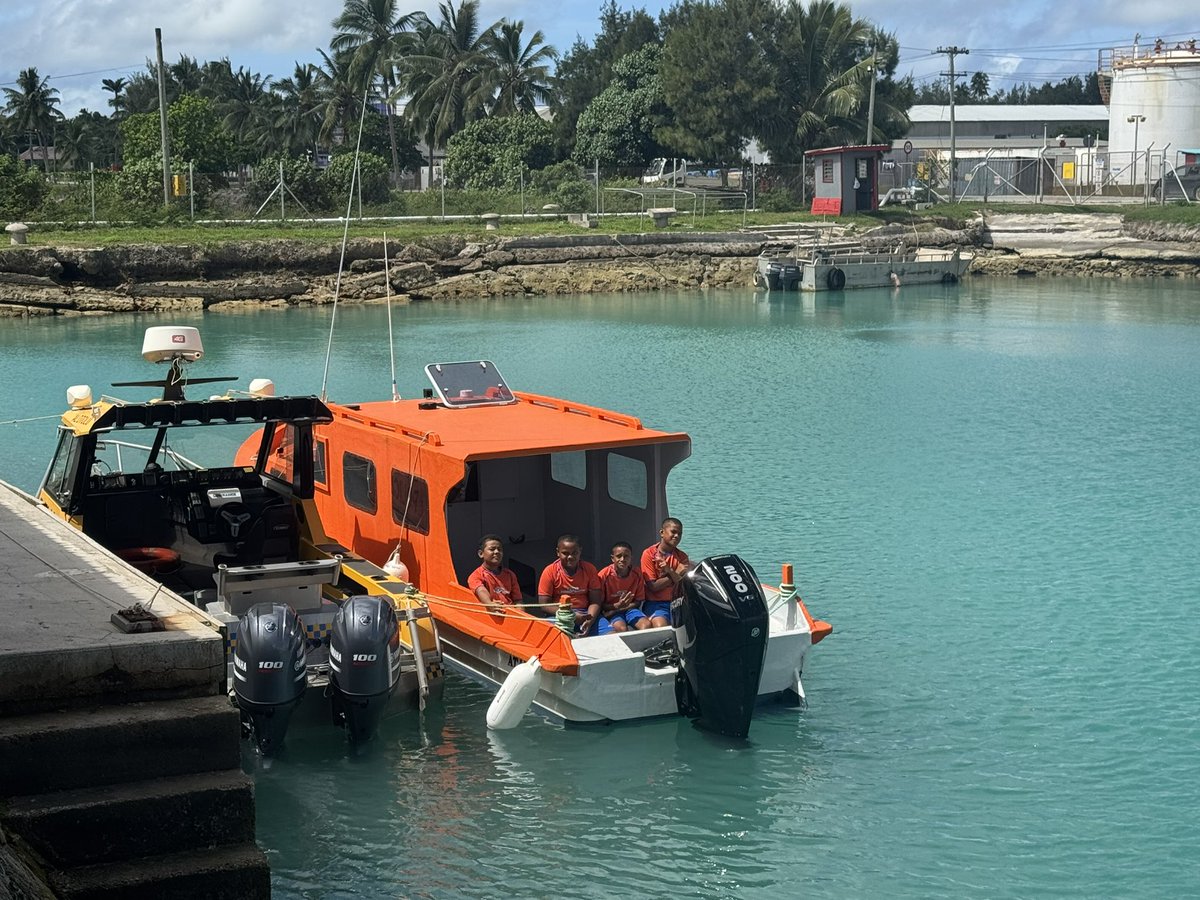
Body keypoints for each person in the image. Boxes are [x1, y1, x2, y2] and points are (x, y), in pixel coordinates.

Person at [537, 534, 602, 636]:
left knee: (611, 635)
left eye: (574, 553)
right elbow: (544, 605)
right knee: (549, 637)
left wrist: (589, 621)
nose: (570, 557)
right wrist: (573, 616)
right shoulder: (550, 571)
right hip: (560, 615)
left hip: (586, 613)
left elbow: (595, 601)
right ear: (557, 552)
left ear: (580, 551)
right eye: (565, 553)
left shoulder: (590, 569)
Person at [640, 517, 690, 628]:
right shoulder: (648, 554)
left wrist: (670, 571)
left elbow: (682, 584)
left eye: (680, 534)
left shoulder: (682, 557)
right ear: (662, 533)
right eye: (673, 532)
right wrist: (675, 572)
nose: (677, 536)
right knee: (660, 626)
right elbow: (653, 586)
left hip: (677, 602)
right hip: (656, 604)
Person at [596, 542, 649, 634]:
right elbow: (599, 604)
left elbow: (638, 601)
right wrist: (617, 606)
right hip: (611, 611)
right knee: (621, 629)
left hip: (630, 609)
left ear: (631, 558)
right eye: (619, 556)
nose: (622, 559)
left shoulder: (637, 573)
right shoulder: (604, 575)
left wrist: (621, 607)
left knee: (646, 625)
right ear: (612, 558)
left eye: (626, 556)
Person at [467, 534, 522, 612]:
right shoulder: (476, 576)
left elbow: (518, 600)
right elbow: (481, 590)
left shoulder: (510, 574)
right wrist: (489, 603)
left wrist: (520, 615)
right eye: (492, 549)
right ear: (481, 554)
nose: (496, 552)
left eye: (499, 549)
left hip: (511, 615)